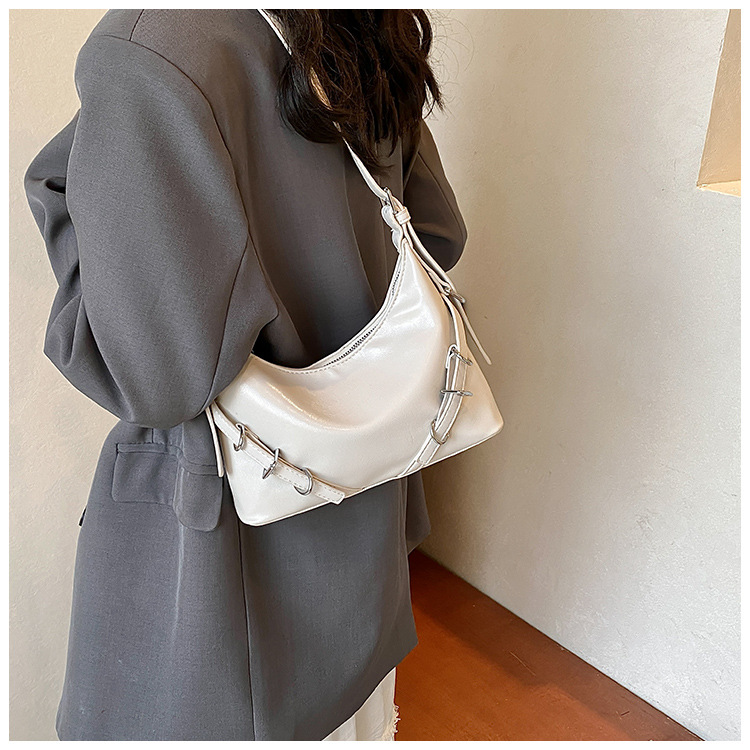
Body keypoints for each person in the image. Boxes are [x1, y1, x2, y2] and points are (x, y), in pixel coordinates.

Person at [24, 9, 468, 741]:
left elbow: (155, 378)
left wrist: (73, 222)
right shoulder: (357, 24)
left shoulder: (150, 50)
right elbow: (437, 235)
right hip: (364, 548)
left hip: (228, 592)